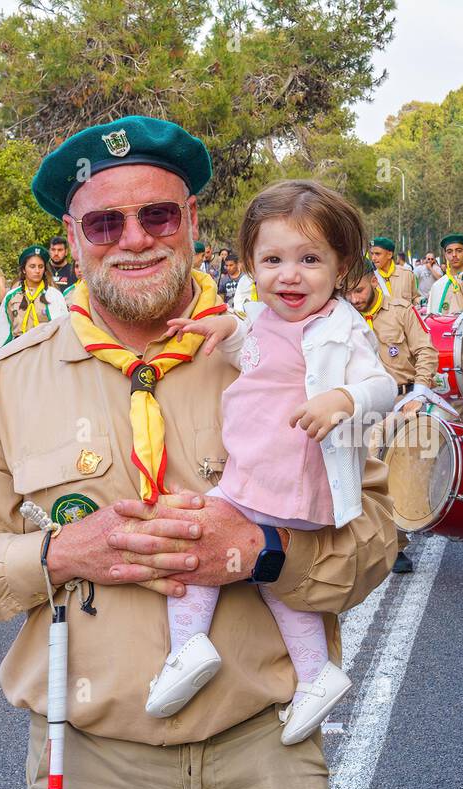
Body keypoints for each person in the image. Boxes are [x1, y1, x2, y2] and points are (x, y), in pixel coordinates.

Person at [0, 116, 396, 789]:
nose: (133, 239)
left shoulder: (295, 352)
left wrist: (262, 553)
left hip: (266, 767)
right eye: (105, 221)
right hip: (92, 786)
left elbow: (376, 544)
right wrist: (61, 552)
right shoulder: (5, 384)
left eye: (157, 215)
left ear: (193, 224)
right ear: (72, 239)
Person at [146, 182, 395, 745]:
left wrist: (344, 401)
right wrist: (225, 329)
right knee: (271, 580)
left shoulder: (342, 327)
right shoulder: (259, 315)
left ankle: (188, 648)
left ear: (341, 268)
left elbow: (384, 385)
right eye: (273, 260)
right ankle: (315, 674)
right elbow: (253, 353)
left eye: (310, 260)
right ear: (251, 265)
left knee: (201, 537)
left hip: (291, 475)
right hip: (254, 470)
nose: (290, 275)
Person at [346, 260, 438, 576]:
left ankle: (396, 544)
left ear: (373, 280)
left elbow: (426, 352)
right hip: (360, 404)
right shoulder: (342, 316)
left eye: (358, 290)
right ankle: (367, 543)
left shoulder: (401, 311)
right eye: (348, 293)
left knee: (397, 473)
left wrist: (419, 394)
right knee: (359, 475)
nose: (355, 299)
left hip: (402, 402)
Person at [0, 244, 71, 354]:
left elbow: (63, 329)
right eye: (32, 266)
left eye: (41, 266)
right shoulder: (12, 296)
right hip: (18, 351)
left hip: (46, 351)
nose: (37, 270)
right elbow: (2, 331)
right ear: (24, 269)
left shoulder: (54, 295)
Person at [427, 233, 463, 314]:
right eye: (449, 252)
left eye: (459, 251)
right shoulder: (438, 285)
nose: (454, 255)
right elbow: (432, 319)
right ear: (445, 255)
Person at [369, 236, 418, 307]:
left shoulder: (407, 274)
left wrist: (421, 301)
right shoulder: (370, 278)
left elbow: (415, 297)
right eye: (372, 254)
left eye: (377, 254)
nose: (373, 258)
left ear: (389, 255)